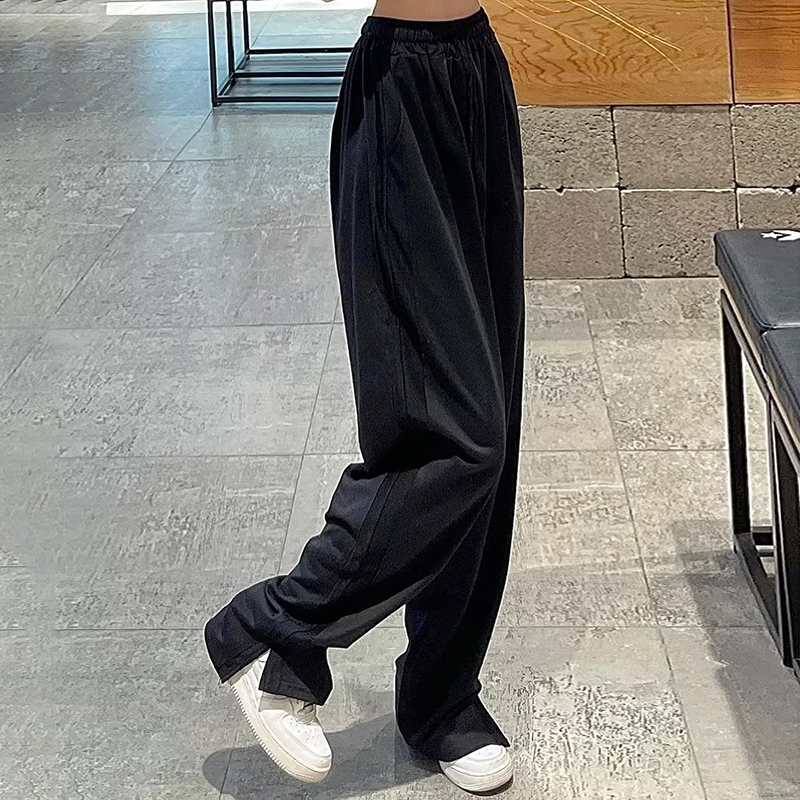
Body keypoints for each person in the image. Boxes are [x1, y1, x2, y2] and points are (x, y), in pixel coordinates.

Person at [204, 0, 524, 792]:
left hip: (477, 69)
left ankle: (443, 697)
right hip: (400, 90)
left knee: (494, 414)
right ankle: (277, 628)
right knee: (457, 435)